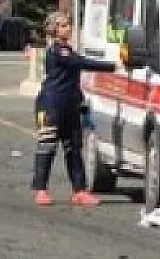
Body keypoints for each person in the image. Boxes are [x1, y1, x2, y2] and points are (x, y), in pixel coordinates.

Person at [31, 11, 116, 207]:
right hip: (50, 105)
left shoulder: (68, 49)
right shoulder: (57, 51)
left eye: (68, 24)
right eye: (62, 25)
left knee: (74, 150)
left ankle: (79, 190)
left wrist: (82, 104)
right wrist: (112, 66)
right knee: (47, 148)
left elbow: (73, 79)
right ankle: (40, 189)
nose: (67, 28)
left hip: (70, 106)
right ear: (53, 30)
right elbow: (80, 63)